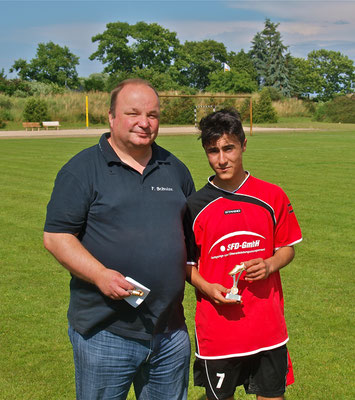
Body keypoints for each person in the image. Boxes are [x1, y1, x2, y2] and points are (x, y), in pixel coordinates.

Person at [43, 78, 195, 400]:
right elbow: (57, 237)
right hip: (106, 333)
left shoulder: (175, 169)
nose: (144, 122)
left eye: (153, 114)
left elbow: (192, 242)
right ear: (111, 117)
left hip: (169, 332)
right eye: (134, 113)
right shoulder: (82, 170)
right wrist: (100, 275)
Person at [184, 108, 302, 400]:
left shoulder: (272, 196)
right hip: (218, 332)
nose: (221, 159)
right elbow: (185, 265)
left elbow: (286, 248)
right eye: (213, 151)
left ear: (243, 145)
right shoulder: (193, 206)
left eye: (228, 148)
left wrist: (270, 264)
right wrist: (206, 286)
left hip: (267, 328)